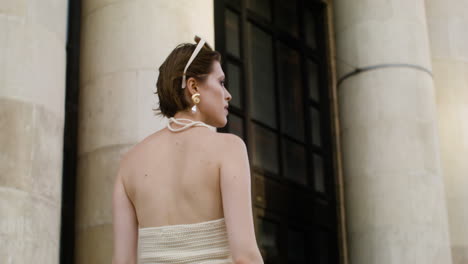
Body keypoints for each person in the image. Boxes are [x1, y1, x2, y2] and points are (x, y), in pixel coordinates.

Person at [112, 36, 264, 264]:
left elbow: (122, 261)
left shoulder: (129, 163)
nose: (228, 94)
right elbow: (245, 256)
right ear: (193, 86)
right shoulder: (229, 149)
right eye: (221, 82)